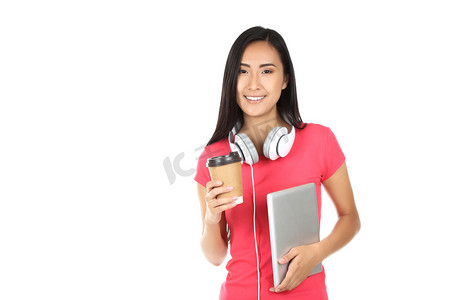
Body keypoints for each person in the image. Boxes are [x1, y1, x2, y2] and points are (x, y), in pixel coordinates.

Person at [194, 26, 360, 300]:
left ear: (285, 79)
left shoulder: (320, 140)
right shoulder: (215, 157)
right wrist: (212, 219)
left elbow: (350, 218)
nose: (253, 84)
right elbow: (215, 257)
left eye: (267, 71)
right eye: (243, 71)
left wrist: (318, 252)